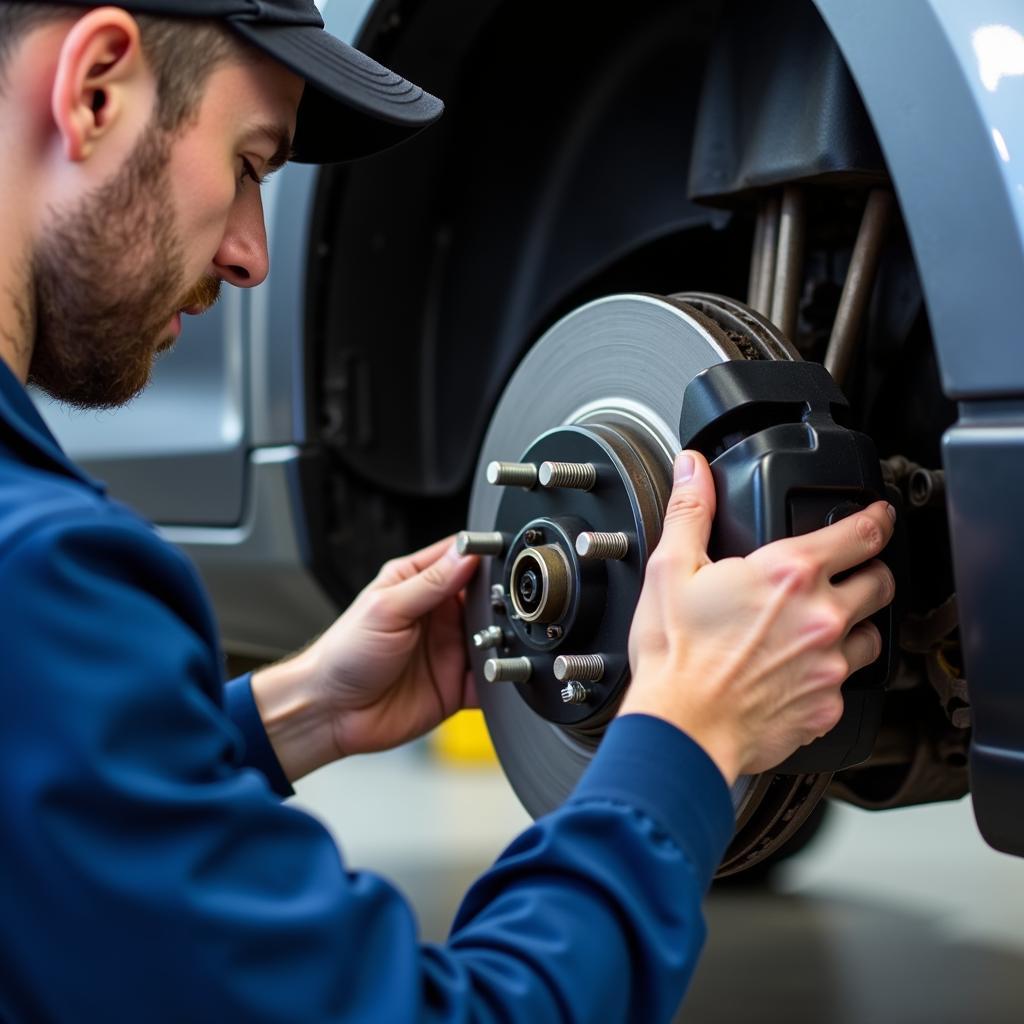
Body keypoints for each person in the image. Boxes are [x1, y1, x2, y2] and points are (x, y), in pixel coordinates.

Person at [0, 2, 896, 1021]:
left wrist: (296, 711)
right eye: (251, 163)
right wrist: (683, 736)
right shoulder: (47, 583)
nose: (251, 254)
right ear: (97, 86)